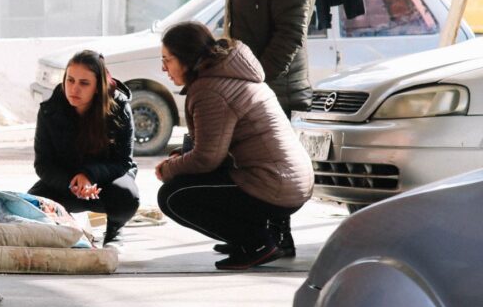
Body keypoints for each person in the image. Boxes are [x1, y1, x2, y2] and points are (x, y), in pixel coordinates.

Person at [155, 22, 314, 270]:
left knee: (173, 195)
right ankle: (254, 236)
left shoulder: (209, 89)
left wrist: (169, 169)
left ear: (186, 58)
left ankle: (256, 243)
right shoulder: (228, 74)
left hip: (274, 184)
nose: (163, 68)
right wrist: (181, 158)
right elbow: (214, 145)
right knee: (191, 181)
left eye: (168, 59)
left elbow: (207, 159)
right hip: (289, 180)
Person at [226, 0, 319, 255]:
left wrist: (257, 79)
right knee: (252, 163)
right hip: (256, 83)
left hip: (274, 85)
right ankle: (257, 234)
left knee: (274, 167)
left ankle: (279, 237)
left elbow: (291, 33)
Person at [28, 50, 139, 246]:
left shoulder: (119, 108)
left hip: (106, 183)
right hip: (66, 182)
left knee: (126, 196)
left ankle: (115, 229)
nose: (74, 89)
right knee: (33, 204)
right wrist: (72, 184)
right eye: (70, 80)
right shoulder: (49, 110)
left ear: (98, 86)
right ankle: (67, 224)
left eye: (84, 83)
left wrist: (89, 176)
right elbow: (43, 165)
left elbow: (123, 162)